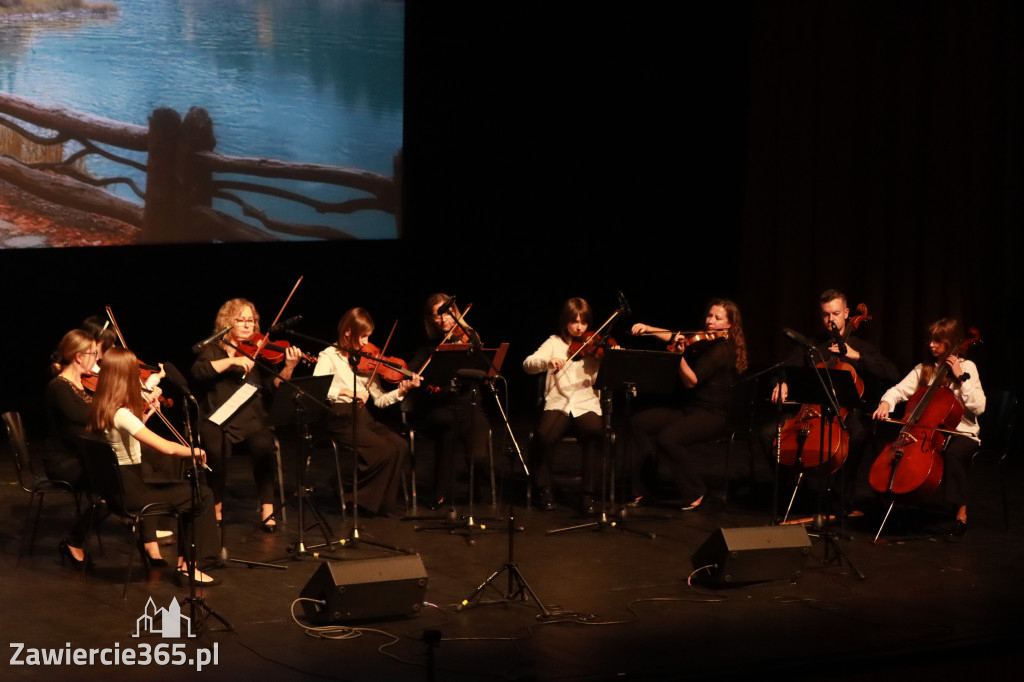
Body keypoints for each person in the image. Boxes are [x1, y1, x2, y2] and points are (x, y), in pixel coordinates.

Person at [83, 347, 221, 585]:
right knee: (202, 495)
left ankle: (186, 564)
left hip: (119, 488)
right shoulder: (121, 413)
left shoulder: (101, 408)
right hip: (134, 492)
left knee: (191, 495)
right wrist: (194, 451)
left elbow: (128, 430)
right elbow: (166, 447)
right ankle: (190, 567)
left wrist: (148, 414)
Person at [766, 289, 900, 504]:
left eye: (836, 314)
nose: (831, 320)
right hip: (810, 411)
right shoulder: (812, 346)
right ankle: (791, 488)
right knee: (769, 433)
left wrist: (855, 356)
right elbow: (783, 370)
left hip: (846, 413)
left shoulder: (861, 347)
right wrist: (781, 383)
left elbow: (891, 372)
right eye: (826, 315)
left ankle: (839, 496)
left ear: (847, 313)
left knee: (857, 436)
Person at [191, 298, 303, 531]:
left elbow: (272, 387)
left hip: (252, 416)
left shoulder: (258, 350)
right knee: (215, 449)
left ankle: (267, 509)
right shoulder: (213, 348)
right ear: (227, 323)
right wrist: (232, 360)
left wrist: (288, 368)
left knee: (264, 445)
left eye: (250, 320)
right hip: (217, 416)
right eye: (240, 320)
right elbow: (199, 372)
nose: (247, 325)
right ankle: (217, 506)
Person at [628, 298, 748, 511]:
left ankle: (696, 491)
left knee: (668, 439)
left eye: (717, 318)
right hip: (691, 410)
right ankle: (644, 488)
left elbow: (691, 380)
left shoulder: (722, 350)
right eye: (710, 316)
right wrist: (648, 328)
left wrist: (678, 357)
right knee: (639, 422)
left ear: (729, 324)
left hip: (713, 415)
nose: (710, 321)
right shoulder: (706, 341)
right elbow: (676, 335)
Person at [871, 318, 985, 540]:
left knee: (952, 453)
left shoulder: (967, 368)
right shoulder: (924, 370)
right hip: (927, 432)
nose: (931, 345)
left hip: (962, 432)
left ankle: (961, 514)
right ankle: (904, 498)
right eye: (930, 340)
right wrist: (885, 403)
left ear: (950, 343)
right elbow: (898, 391)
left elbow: (979, 407)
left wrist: (961, 377)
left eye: (938, 341)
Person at [313, 307, 419, 517]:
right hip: (338, 416)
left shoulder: (366, 360)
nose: (365, 342)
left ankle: (381, 504)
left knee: (399, 445)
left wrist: (401, 391)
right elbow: (317, 388)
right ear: (348, 333)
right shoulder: (328, 356)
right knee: (383, 450)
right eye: (363, 336)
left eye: (368, 336)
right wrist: (347, 391)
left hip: (362, 417)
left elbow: (379, 400)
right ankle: (345, 488)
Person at [404, 293, 491, 509]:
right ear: (430, 320)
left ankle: (460, 489)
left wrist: (470, 335)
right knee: (448, 426)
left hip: (470, 404)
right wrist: (414, 378)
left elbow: (483, 367)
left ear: (455, 313)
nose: (443, 320)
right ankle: (443, 492)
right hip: (441, 406)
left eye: (447, 314)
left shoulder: (469, 338)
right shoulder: (429, 345)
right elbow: (411, 370)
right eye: (437, 316)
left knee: (477, 455)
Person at [523, 297, 606, 513]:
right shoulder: (554, 343)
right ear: (565, 321)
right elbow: (528, 364)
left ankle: (588, 494)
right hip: (558, 402)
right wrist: (547, 362)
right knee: (543, 436)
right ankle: (543, 488)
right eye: (574, 321)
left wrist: (606, 360)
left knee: (595, 432)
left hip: (585, 402)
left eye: (584, 322)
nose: (579, 327)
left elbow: (601, 380)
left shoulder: (594, 346)